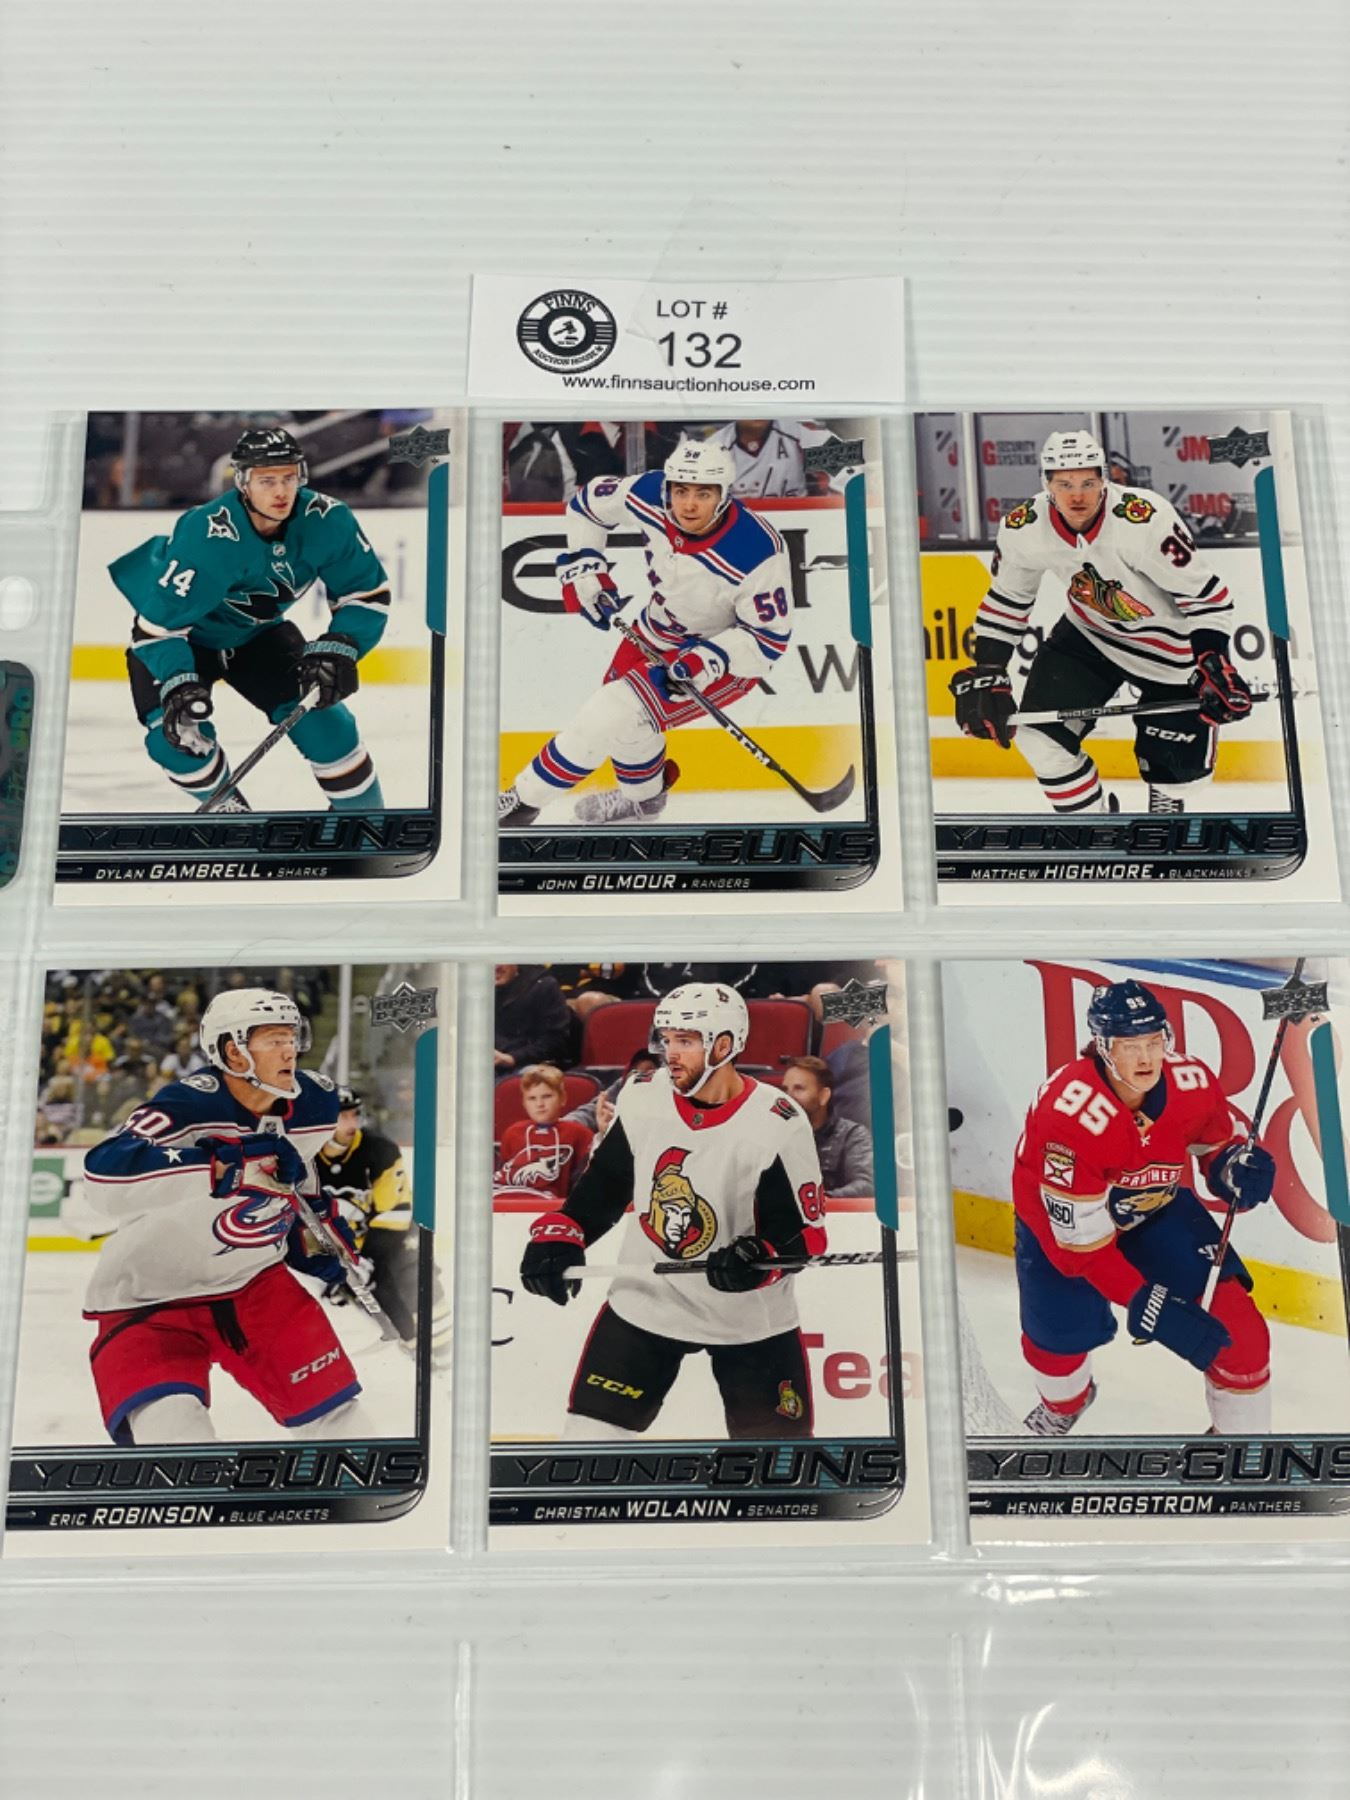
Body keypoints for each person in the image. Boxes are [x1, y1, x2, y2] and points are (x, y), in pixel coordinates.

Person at [519, 982, 826, 1440]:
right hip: (647, 1301)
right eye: (666, 1039)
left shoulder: (777, 1121)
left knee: (779, 1466)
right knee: (586, 1448)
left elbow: (805, 1235)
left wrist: (759, 1261)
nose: (670, 1054)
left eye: (685, 1041)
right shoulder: (644, 1096)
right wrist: (563, 1233)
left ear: (724, 1045)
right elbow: (606, 1184)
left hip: (748, 1320)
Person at [80, 987, 378, 1445]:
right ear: (233, 1051)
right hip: (149, 1300)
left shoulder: (316, 1102)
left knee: (344, 1428)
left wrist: (312, 1234)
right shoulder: (188, 1105)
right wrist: (218, 1166)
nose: (290, 1050)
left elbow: (299, 1178)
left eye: (292, 1037)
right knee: (177, 1435)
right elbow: (102, 1175)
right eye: (274, 1040)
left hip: (257, 1287)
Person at [1012, 978, 1275, 1437]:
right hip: (1061, 1232)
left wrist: (1234, 1167)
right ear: (1102, 1046)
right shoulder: (1068, 1117)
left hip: (1153, 1211)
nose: (1147, 1058)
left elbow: (1214, 1141)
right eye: (1131, 1046)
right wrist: (1144, 1301)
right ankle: (1065, 1405)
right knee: (1057, 1346)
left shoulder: (1190, 1081)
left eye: (1154, 1042)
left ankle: (1239, 1446)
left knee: (1242, 1336)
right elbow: (1083, 1250)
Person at [948, 430, 1253, 816]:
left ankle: (1166, 797)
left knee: (1178, 779)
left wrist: (1213, 662)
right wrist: (989, 668)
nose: (1077, 496)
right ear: (1046, 484)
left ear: (1104, 480)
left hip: (1171, 655)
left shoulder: (1145, 520)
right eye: (1065, 484)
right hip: (1090, 638)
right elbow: (1007, 601)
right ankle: (1094, 826)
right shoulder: (1023, 527)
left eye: (1088, 483)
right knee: (1039, 740)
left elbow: (1207, 599)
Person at [498, 439, 793, 826]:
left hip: (725, 658)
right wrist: (587, 566)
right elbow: (587, 505)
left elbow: (768, 641)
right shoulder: (649, 493)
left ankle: (520, 803)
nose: (688, 505)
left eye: (703, 494)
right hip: (654, 630)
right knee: (626, 724)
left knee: (608, 712)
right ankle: (644, 801)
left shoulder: (756, 550)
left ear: (723, 495)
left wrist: (708, 660)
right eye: (680, 491)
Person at [110, 426, 392, 814]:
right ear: (243, 482)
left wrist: (343, 643)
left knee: (329, 728)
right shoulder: (206, 533)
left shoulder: (328, 520)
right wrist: (178, 680)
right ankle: (232, 822)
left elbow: (365, 594)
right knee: (178, 741)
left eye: (289, 477)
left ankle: (365, 824)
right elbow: (157, 628)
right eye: (267, 481)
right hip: (182, 642)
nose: (281, 492)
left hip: (256, 636)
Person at [315, 1085, 449, 1368]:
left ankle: (441, 1357)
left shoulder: (379, 1150)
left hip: (388, 1240)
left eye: (354, 1115)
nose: (352, 1123)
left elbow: (395, 1213)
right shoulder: (306, 1156)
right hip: (339, 1248)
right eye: (342, 1116)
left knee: (414, 1280)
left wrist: (367, 1259)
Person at [495, 1065, 594, 1201]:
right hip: (509, 1198)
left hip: (550, 1203)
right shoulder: (513, 1132)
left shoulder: (579, 1133)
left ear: (562, 1098)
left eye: (547, 1096)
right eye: (532, 1098)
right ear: (524, 1103)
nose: (540, 1104)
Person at [780, 1057, 873, 1198]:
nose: (788, 1097)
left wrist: (818, 1202)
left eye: (799, 1089)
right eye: (785, 1090)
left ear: (824, 1096)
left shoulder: (852, 1135)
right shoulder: (774, 1134)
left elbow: (865, 1186)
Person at [707, 419, 851, 498]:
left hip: (797, 523)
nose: (757, 411)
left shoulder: (799, 433)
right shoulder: (714, 447)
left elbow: (849, 471)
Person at [493, 964, 572, 1072]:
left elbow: (555, 1040)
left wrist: (513, 1058)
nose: (496, 967)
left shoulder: (543, 985)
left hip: (525, 1064)